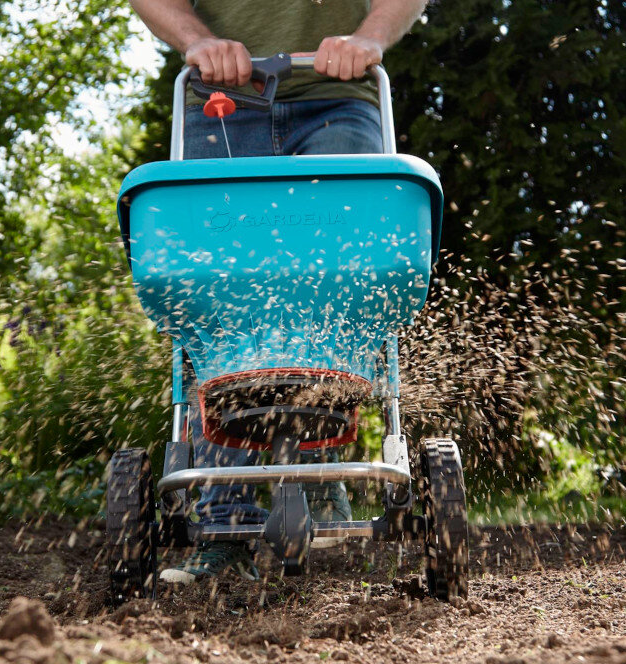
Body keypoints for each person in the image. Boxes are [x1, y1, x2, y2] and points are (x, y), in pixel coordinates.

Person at [129, 0, 430, 584]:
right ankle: (223, 520)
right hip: (219, 102)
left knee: (333, 278)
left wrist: (369, 38)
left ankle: (322, 477)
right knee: (220, 300)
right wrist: (197, 41)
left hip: (337, 98)